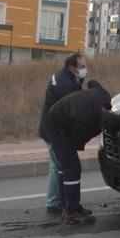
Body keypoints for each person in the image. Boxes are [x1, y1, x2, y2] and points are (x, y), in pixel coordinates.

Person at [45, 81, 120, 225]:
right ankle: (71, 213)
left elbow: (93, 83)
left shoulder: (104, 97)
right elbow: (75, 142)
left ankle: (69, 205)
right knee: (72, 169)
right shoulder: (86, 121)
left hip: (60, 115)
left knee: (66, 167)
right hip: (56, 126)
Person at [39, 52, 87, 215]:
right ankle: (54, 202)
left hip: (50, 127)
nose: (84, 69)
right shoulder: (67, 84)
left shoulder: (66, 76)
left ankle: (57, 200)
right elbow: (72, 110)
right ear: (71, 67)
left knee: (57, 164)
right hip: (54, 130)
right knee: (59, 165)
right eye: (82, 67)